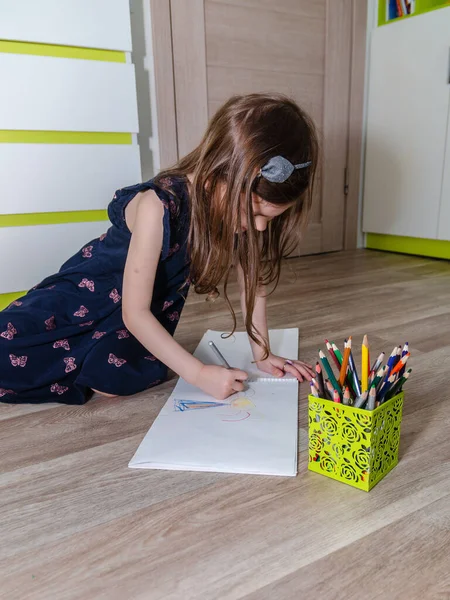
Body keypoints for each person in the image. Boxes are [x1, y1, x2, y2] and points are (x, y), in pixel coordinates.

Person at [0, 93, 318, 405]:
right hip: (85, 298)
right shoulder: (159, 205)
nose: (261, 227)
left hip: (134, 317)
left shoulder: (234, 208)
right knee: (11, 356)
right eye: (258, 213)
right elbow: (134, 312)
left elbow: (253, 282)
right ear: (221, 176)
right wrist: (199, 374)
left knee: (120, 382)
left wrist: (262, 354)